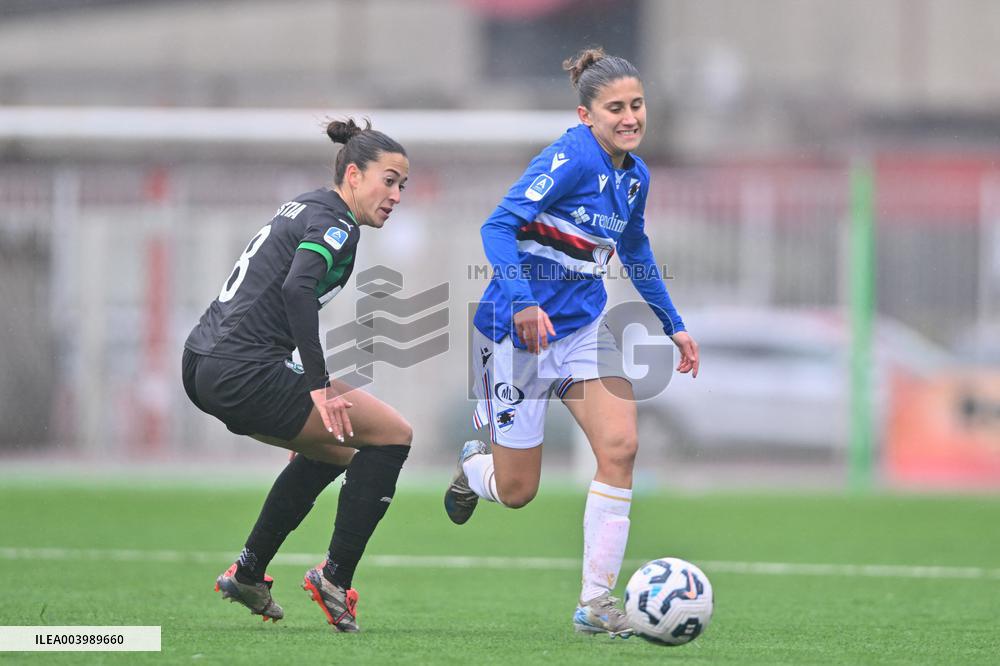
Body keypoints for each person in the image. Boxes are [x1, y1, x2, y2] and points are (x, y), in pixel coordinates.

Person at [444, 48, 700, 637]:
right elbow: (497, 226)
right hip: (512, 336)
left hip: (582, 332)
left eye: (636, 105)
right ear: (587, 115)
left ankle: (595, 603)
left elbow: (634, 250)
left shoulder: (635, 178)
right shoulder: (571, 156)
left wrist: (673, 322)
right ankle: (475, 469)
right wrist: (525, 302)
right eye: (615, 108)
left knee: (622, 446)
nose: (630, 116)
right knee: (516, 491)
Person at [182, 118, 412, 633]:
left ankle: (248, 572)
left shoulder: (306, 205)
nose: (396, 194)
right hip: (242, 370)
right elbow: (295, 291)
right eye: (389, 180)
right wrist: (316, 385)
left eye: (403, 185)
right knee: (394, 435)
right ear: (353, 174)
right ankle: (335, 578)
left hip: (202, 363)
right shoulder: (337, 224)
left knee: (332, 450)